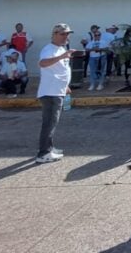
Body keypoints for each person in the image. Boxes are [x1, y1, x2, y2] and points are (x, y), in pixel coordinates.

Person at [35, 24, 74, 164]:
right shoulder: (49, 49)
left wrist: (66, 85)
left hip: (58, 90)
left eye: (68, 34)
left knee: (52, 122)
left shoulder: (61, 49)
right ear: (55, 34)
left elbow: (60, 69)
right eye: (63, 34)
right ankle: (43, 153)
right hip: (50, 92)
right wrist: (61, 56)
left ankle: (49, 148)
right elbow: (43, 63)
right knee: (49, 123)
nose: (66, 37)